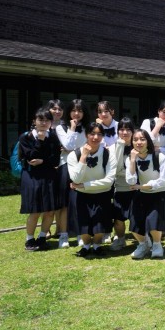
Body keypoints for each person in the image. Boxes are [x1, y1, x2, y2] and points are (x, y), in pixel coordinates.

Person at [68, 122, 117, 258]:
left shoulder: (108, 154)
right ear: (86, 134)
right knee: (83, 223)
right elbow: (76, 179)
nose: (95, 137)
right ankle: (85, 246)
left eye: (99, 134)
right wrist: (83, 157)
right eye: (92, 133)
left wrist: (84, 185)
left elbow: (108, 181)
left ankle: (97, 246)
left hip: (102, 194)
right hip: (81, 196)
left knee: (100, 223)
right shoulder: (74, 155)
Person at [19, 108, 61, 251]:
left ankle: (42, 237)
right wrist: (40, 142)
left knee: (49, 210)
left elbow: (55, 160)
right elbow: (30, 156)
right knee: (35, 210)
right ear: (34, 121)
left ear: (51, 122)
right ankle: (29, 239)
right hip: (31, 176)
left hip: (48, 175)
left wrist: (43, 161)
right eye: (40, 120)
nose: (44, 123)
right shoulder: (26, 137)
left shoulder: (53, 137)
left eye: (47, 120)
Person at [126, 129, 165, 259]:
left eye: (142, 139)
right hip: (141, 193)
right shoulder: (130, 159)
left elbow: (163, 181)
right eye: (135, 139)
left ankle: (157, 245)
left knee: (153, 220)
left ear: (148, 141)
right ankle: (143, 244)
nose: (138, 142)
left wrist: (143, 186)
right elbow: (131, 180)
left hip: (159, 193)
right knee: (135, 223)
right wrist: (133, 161)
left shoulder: (159, 156)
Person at [55, 99, 90, 248]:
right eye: (74, 110)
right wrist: (72, 128)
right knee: (64, 203)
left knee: (80, 201)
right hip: (65, 167)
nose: (77, 114)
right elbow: (68, 145)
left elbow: (89, 146)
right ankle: (63, 235)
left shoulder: (87, 128)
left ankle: (80, 234)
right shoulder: (61, 127)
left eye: (80, 111)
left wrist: (73, 148)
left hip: (82, 166)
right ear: (69, 112)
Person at [140, 101, 165, 236]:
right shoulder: (147, 122)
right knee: (150, 190)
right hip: (147, 162)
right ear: (158, 111)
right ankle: (149, 226)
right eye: (164, 112)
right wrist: (158, 126)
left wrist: (159, 148)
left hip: (163, 162)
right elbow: (143, 140)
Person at [109, 117, 135, 251]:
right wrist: (119, 146)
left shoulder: (138, 145)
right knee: (118, 218)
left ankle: (144, 240)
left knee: (137, 216)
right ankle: (120, 239)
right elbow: (115, 169)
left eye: (128, 129)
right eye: (121, 129)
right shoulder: (114, 147)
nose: (124, 133)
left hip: (136, 188)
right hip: (120, 188)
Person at [45, 99, 64, 239]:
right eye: (54, 109)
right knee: (46, 198)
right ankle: (45, 228)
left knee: (60, 198)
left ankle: (59, 227)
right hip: (47, 166)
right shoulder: (44, 125)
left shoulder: (65, 126)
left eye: (60, 109)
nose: (57, 112)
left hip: (62, 165)